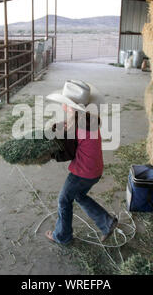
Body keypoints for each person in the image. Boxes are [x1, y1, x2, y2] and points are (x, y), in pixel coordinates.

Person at [44, 80, 118, 245]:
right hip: (95, 169)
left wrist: (49, 154)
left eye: (66, 105)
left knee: (64, 200)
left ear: (74, 108)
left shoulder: (77, 126)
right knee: (78, 195)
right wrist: (59, 126)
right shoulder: (88, 118)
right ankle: (107, 222)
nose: (63, 107)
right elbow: (71, 128)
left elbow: (67, 153)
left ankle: (62, 236)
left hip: (83, 172)